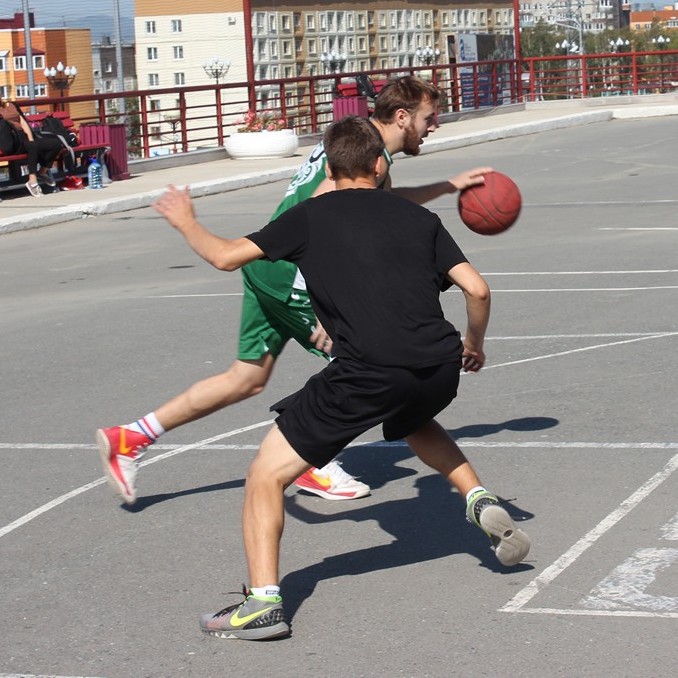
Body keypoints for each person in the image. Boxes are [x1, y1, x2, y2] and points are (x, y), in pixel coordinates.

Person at [152, 115, 530, 641]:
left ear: (331, 168)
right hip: (438, 366)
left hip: (368, 371)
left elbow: (224, 257)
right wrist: (474, 345)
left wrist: (186, 219)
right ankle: (477, 497)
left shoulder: (309, 216)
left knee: (266, 474)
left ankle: (262, 605)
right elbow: (478, 290)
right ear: (380, 166)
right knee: (413, 417)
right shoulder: (415, 217)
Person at [96, 75, 490, 506]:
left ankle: (131, 436)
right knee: (378, 361)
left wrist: (449, 186)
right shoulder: (368, 156)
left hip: (268, 267)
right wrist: (315, 302)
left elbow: (374, 207)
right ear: (402, 117)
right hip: (292, 276)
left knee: (246, 377)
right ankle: (312, 463)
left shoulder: (350, 145)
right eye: (429, 118)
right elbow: (325, 208)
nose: (434, 126)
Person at [0, 97, 63, 197]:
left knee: (56, 144)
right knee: (32, 146)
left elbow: (23, 122)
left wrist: (30, 138)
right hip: (13, 141)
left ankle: (42, 172)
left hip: (25, 137)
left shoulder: (12, 105)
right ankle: (32, 181)